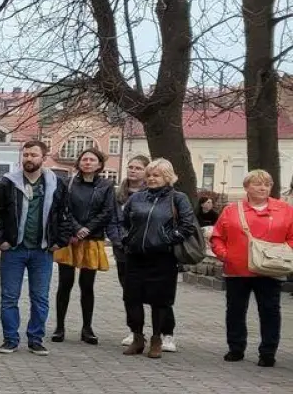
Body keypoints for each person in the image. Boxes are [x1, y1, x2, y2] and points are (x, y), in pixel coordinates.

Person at [0, 140, 69, 354]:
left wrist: (59, 241)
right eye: (26, 155)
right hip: (14, 249)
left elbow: (65, 214)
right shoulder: (7, 183)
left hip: (42, 251)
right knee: (9, 297)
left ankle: (36, 339)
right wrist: (0, 240)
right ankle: (10, 339)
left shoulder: (56, 183)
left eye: (33, 155)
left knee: (40, 297)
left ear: (43, 157)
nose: (29, 159)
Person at [209, 170, 292, 366]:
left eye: (267, 184)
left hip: (270, 269)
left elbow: (291, 237)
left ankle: (268, 352)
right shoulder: (231, 210)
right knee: (235, 310)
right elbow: (217, 236)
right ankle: (236, 348)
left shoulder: (285, 209)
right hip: (237, 270)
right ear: (246, 187)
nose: (263, 188)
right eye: (257, 184)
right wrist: (225, 255)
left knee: (270, 310)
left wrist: (284, 253)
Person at [117, 158, 196, 359]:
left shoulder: (178, 198)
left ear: (167, 177)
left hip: (163, 258)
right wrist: (126, 239)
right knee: (131, 298)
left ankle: (156, 339)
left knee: (160, 301)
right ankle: (137, 337)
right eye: (149, 175)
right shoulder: (137, 198)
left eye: (157, 175)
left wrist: (166, 240)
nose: (152, 178)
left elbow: (187, 225)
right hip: (135, 256)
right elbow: (123, 222)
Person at [52, 149, 114, 344]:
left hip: (92, 238)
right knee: (65, 283)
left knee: (87, 286)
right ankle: (59, 327)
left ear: (99, 164)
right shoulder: (67, 183)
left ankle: (87, 328)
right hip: (70, 238)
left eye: (92, 159)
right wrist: (77, 228)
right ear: (78, 163)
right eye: (84, 159)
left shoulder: (106, 185)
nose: (88, 162)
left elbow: (107, 211)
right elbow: (64, 208)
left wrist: (88, 228)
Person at [108, 155, 150, 347]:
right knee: (129, 292)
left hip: (146, 248)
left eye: (138, 168)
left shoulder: (152, 193)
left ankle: (164, 331)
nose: (133, 171)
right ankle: (134, 330)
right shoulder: (118, 194)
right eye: (130, 167)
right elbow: (113, 219)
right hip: (123, 249)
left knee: (153, 291)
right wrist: (117, 240)